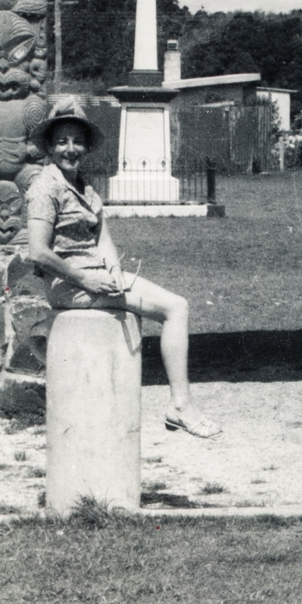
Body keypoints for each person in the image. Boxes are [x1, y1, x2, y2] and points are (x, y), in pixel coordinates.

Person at [25, 96, 221, 439]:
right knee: (175, 308)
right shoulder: (45, 187)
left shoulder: (84, 186)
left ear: (85, 146)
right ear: (50, 148)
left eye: (77, 141)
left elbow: (103, 238)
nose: (70, 149)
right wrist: (86, 279)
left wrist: (113, 269)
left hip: (95, 278)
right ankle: (181, 406)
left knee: (177, 307)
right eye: (61, 141)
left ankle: (179, 405)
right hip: (68, 284)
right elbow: (38, 253)